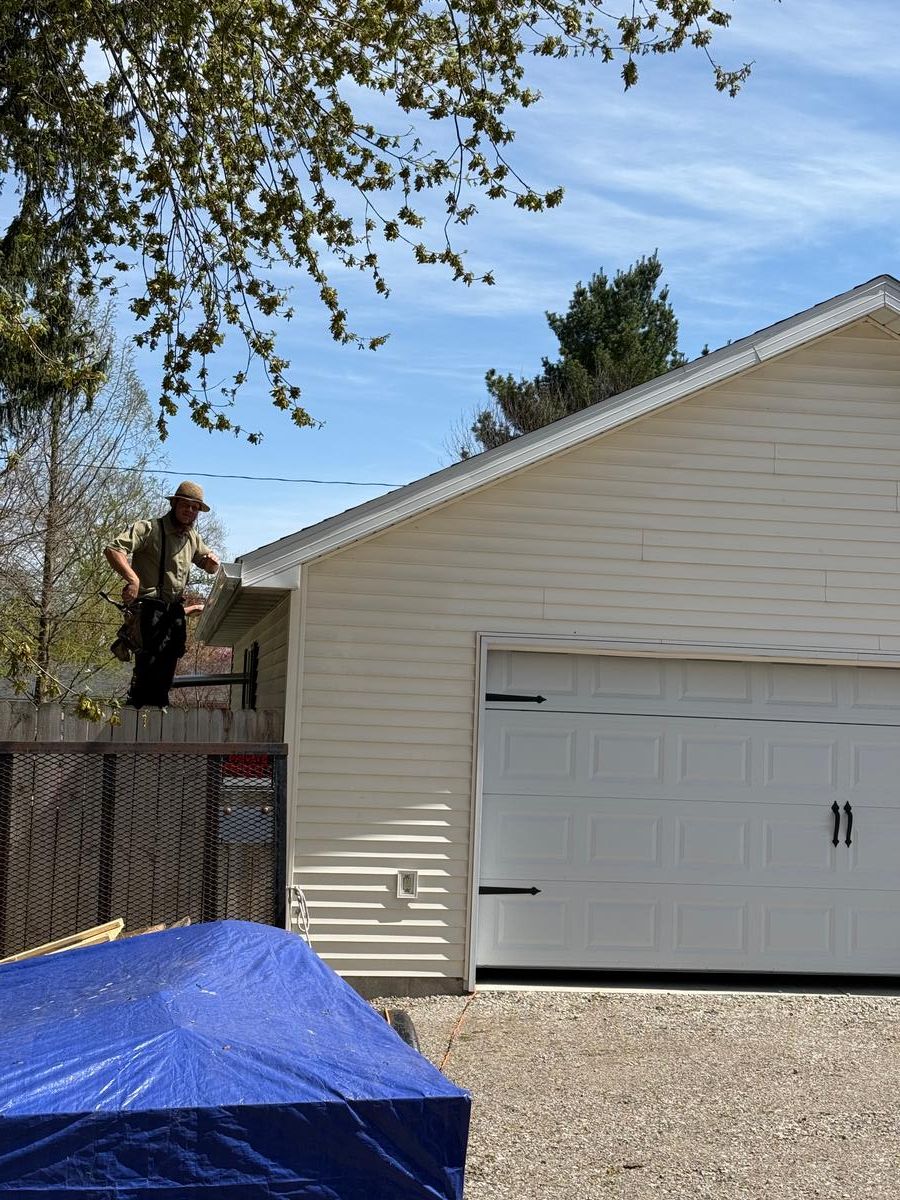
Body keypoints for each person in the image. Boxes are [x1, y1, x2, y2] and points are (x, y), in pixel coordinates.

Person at [104, 481, 220, 707]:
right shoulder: (149, 529)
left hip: (173, 612)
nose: (189, 511)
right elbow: (113, 549)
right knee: (147, 670)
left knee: (167, 670)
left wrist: (212, 563)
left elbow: (209, 566)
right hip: (148, 609)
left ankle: (159, 716)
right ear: (174, 504)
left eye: (195, 508)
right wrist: (132, 579)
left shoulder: (192, 537)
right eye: (185, 505)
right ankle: (138, 717)